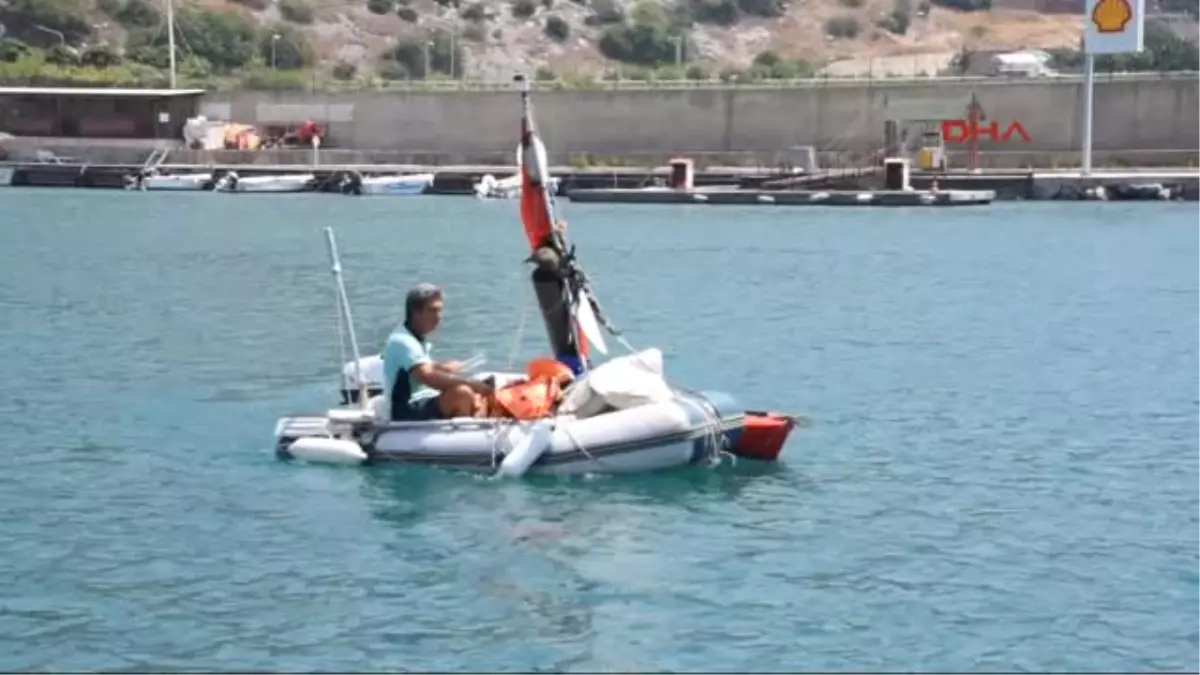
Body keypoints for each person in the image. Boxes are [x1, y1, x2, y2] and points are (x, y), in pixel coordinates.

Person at [383, 283, 493, 421]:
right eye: (433, 311)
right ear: (416, 312)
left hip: (426, 400)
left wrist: (443, 367)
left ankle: (475, 421)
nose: (439, 317)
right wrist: (471, 383)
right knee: (462, 392)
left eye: (440, 311)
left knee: (481, 391)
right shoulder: (402, 341)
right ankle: (469, 427)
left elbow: (422, 366)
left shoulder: (415, 338)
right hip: (408, 408)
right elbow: (427, 376)